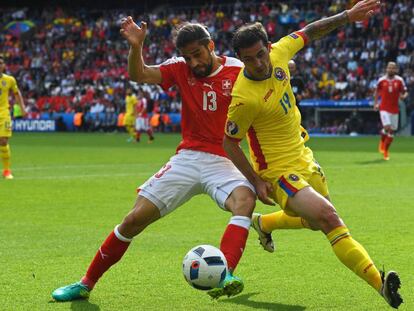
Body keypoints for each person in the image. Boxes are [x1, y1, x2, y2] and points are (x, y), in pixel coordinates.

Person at [51, 19, 257, 302]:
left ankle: (226, 274)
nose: (193, 62)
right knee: (133, 220)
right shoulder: (179, 67)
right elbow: (140, 75)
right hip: (188, 157)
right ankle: (85, 282)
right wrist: (137, 47)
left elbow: (264, 80)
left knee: (244, 200)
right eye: (188, 57)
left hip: (224, 159)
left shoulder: (237, 70)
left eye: (198, 54)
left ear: (211, 46)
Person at [223, 0, 402, 309]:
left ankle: (263, 224)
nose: (259, 63)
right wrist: (256, 181)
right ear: (240, 59)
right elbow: (229, 142)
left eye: (261, 54)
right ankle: (380, 283)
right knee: (329, 217)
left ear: (269, 46)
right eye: (249, 60)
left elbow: (311, 30)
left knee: (315, 220)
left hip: (304, 156)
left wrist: (348, 16)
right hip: (278, 173)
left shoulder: (280, 51)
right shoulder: (243, 99)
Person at [374, 61, 408, 160]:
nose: (391, 69)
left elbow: (405, 92)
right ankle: (385, 151)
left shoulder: (399, 80)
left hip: (394, 109)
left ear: (396, 69)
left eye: (393, 68)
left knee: (391, 132)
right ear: (386, 69)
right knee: (388, 127)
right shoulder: (381, 80)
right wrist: (376, 103)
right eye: (389, 67)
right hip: (384, 108)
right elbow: (376, 92)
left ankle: (384, 144)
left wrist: (403, 96)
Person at [0, 55, 26, 180]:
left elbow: (17, 94)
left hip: (4, 113)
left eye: (1, 63)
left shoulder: (9, 80)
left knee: (4, 141)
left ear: (3, 66)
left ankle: (6, 171)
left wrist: (22, 108)